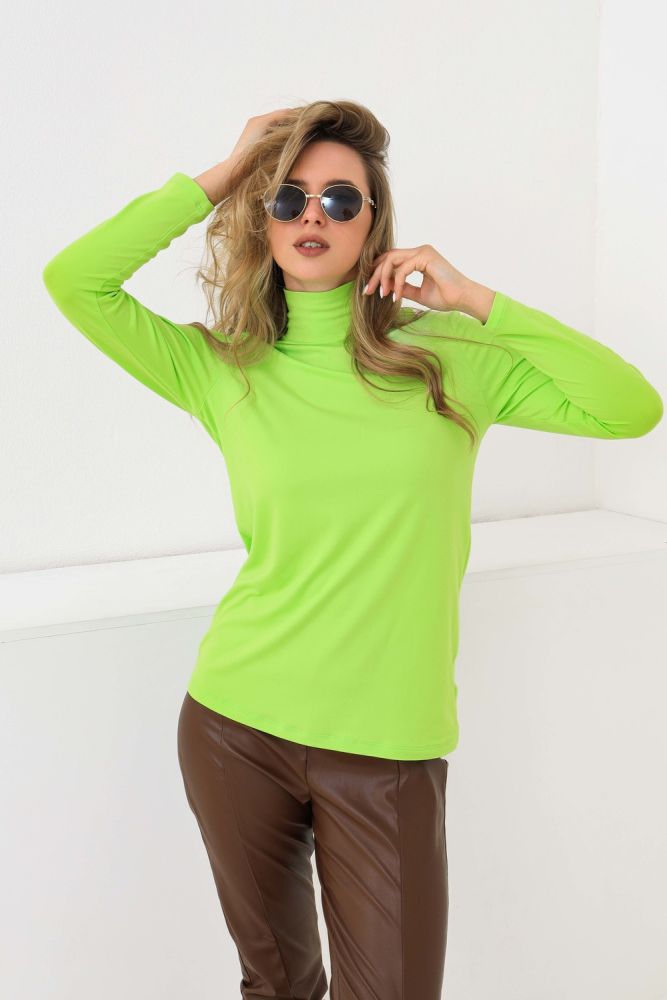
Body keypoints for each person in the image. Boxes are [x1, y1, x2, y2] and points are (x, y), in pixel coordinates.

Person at [42, 100, 663, 999]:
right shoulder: (225, 368)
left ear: (374, 225)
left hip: (389, 748)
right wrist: (226, 172)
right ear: (263, 218)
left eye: (340, 200)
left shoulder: (448, 359)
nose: (312, 216)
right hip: (235, 726)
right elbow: (75, 281)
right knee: (277, 986)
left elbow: (629, 408)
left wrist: (474, 299)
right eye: (287, 197)